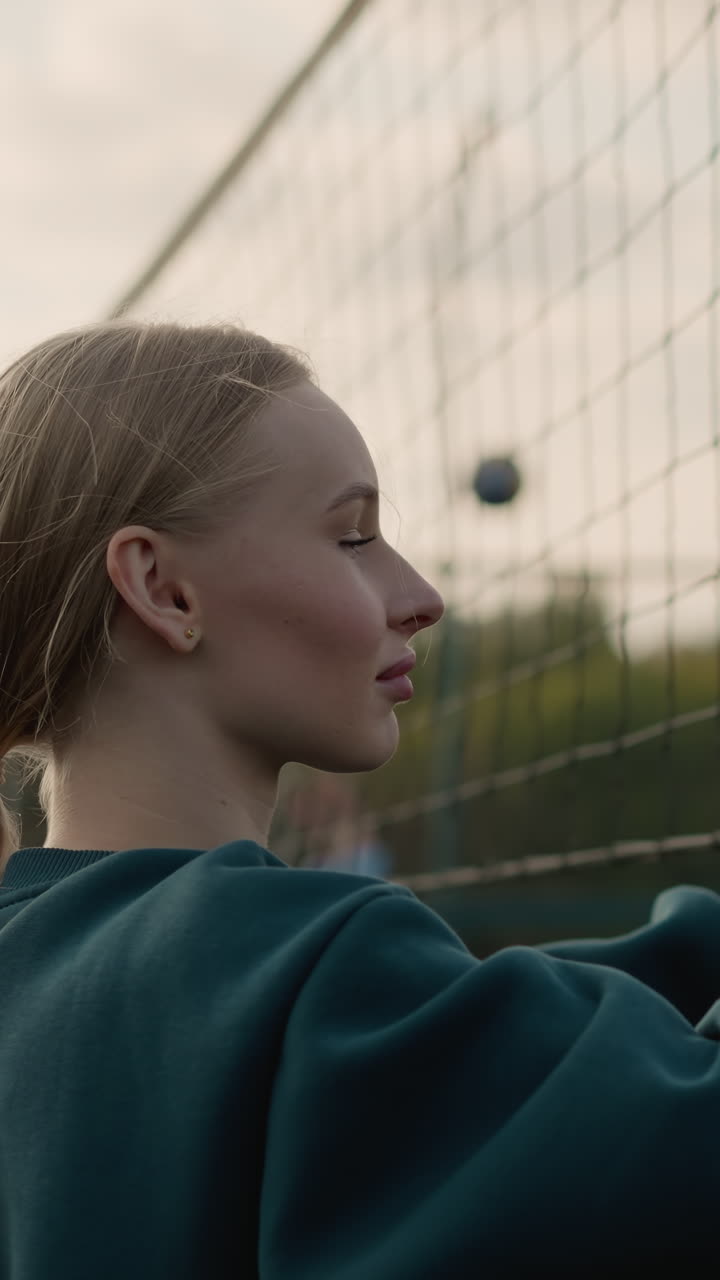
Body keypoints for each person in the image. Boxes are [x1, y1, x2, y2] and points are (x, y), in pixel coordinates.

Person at [0, 320, 720, 1278]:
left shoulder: (56, 963)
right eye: (353, 537)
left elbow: (483, 1019)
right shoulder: (294, 962)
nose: (421, 593)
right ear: (162, 588)